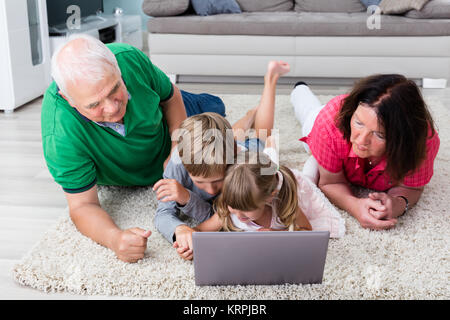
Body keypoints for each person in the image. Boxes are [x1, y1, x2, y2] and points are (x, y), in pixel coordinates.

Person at [41, 34, 225, 263]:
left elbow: (170, 97)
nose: (111, 108)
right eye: (94, 105)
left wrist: (177, 147)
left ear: (118, 70)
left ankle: (244, 115)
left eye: (114, 90)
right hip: (137, 164)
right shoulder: (59, 132)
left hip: (168, 119)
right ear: (68, 99)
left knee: (216, 109)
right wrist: (114, 238)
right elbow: (82, 205)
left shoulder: (129, 59)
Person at [153, 61, 291, 260]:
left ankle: (270, 81)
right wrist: (180, 229)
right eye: (200, 181)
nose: (210, 191)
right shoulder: (178, 162)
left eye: (217, 180)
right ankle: (248, 115)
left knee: (262, 137)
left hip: (247, 151)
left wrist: (187, 198)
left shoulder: (245, 162)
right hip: (229, 145)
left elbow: (226, 218)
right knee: (230, 136)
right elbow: (163, 214)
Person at [290, 75, 440, 231]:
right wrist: (354, 206)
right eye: (359, 123)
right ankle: (300, 88)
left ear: (403, 138)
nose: (361, 140)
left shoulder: (422, 142)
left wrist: (397, 203)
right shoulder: (329, 125)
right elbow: (330, 182)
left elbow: (412, 188)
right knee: (308, 113)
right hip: (329, 121)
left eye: (379, 135)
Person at [193, 151, 312, 233]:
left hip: (288, 183)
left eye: (246, 209)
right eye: (233, 206)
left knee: (274, 160)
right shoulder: (228, 213)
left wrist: (279, 234)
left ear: (269, 198)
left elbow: (307, 231)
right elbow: (198, 230)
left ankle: (271, 144)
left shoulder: (283, 205)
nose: (238, 215)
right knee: (267, 161)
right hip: (262, 173)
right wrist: (186, 240)